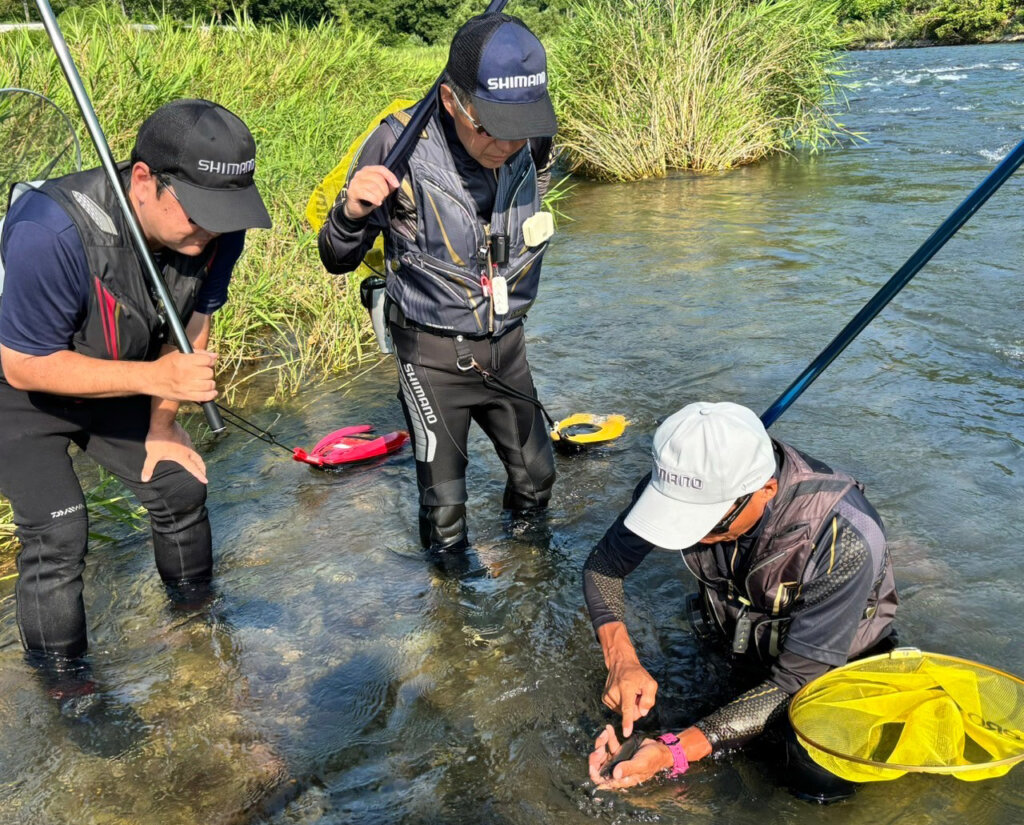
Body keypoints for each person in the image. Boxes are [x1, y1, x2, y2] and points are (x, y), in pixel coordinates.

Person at [0, 98, 272, 674]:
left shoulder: (218, 230)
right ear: (143, 180)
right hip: (20, 392)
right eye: (197, 210)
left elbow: (194, 326)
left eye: (224, 211)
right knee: (60, 532)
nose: (211, 227)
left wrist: (163, 423)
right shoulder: (49, 232)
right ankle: (66, 688)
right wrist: (153, 377)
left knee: (178, 488)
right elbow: (24, 364)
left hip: (119, 374)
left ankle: (196, 633)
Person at [318, 12, 558, 555]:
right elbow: (336, 257)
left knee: (537, 482)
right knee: (447, 515)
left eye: (522, 129)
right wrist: (352, 212)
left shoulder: (532, 137)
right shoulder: (396, 145)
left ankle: (526, 583)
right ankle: (452, 623)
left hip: (508, 348)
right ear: (452, 102)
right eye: (492, 129)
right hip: (430, 357)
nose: (509, 145)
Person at [583, 401, 899, 801]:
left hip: (821, 669)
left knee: (816, 776)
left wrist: (673, 753)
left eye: (706, 524)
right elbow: (604, 565)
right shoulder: (678, 481)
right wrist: (621, 659)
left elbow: (793, 681)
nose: (690, 536)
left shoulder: (846, 537)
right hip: (736, 641)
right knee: (634, 713)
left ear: (765, 491)